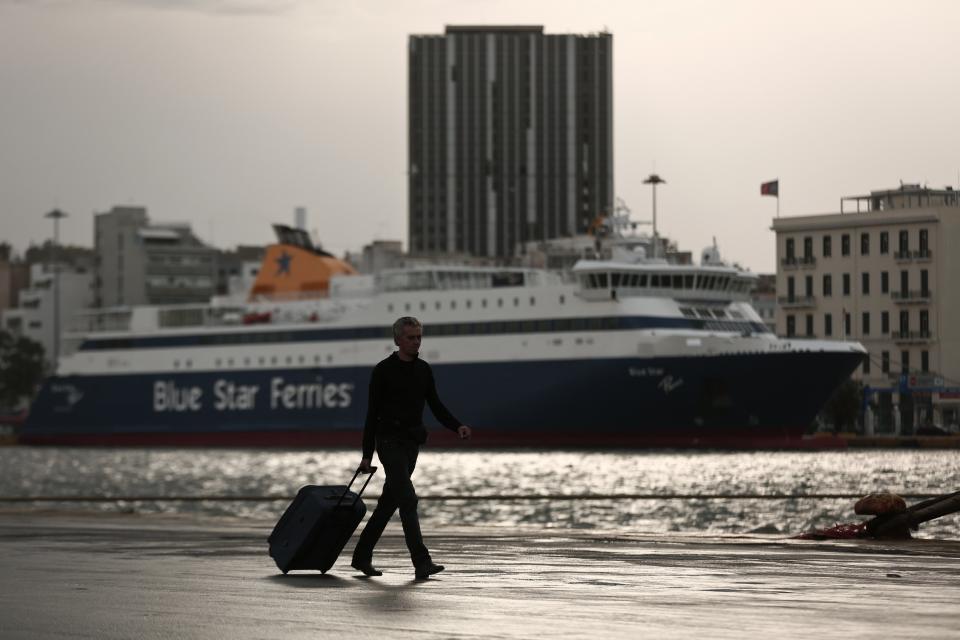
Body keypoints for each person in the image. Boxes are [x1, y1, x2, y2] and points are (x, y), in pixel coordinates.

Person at [351, 316, 472, 580]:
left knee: (387, 504)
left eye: (419, 337)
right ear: (397, 340)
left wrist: (456, 426)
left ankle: (361, 556)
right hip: (388, 442)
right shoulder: (383, 371)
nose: (416, 342)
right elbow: (371, 414)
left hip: (411, 444)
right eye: (410, 337)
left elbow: (436, 405)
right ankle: (422, 561)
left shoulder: (424, 370)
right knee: (407, 499)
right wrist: (366, 455)